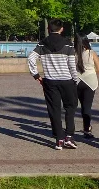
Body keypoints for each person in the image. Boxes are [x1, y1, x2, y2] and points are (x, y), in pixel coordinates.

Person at [27, 19, 80, 150]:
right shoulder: (68, 44)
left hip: (50, 81)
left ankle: (59, 139)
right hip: (67, 80)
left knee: (54, 110)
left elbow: (31, 59)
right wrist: (75, 80)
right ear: (61, 29)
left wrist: (36, 75)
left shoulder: (42, 44)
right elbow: (72, 66)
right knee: (70, 108)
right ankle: (69, 136)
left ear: (49, 29)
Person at [74, 35, 99, 139]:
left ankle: (83, 127)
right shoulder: (91, 53)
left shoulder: (74, 54)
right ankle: (87, 129)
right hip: (90, 82)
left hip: (78, 81)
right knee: (87, 107)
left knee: (82, 105)